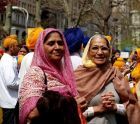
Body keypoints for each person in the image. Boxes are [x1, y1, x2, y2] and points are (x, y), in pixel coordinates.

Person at [74, 34, 140, 124]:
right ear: (88, 51)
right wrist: (96, 109)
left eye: (104, 48)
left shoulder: (116, 75)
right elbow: (70, 113)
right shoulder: (78, 76)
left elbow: (132, 108)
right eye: (95, 48)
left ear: (109, 51)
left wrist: (115, 107)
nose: (100, 52)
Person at [19, 28, 79, 124]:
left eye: (60, 43)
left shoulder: (64, 73)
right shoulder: (36, 72)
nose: (57, 47)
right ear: (41, 47)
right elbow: (31, 113)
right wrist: (66, 101)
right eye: (51, 43)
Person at [0, 35, 19, 124]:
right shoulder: (7, 61)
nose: (18, 48)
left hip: (9, 101)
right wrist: (23, 83)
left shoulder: (7, 59)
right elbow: (11, 82)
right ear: (11, 47)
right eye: (17, 46)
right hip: (11, 102)